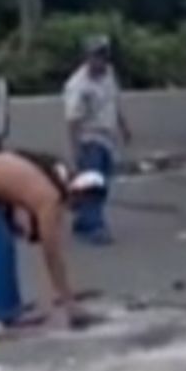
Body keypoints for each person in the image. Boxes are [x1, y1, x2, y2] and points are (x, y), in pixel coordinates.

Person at [0, 149, 104, 330]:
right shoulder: (50, 197)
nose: (73, 210)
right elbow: (51, 254)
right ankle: (4, 313)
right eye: (77, 204)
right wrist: (69, 303)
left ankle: (7, 308)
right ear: (76, 193)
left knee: (1, 241)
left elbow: (12, 182)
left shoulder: (50, 169)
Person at [63, 35, 132, 245]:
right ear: (87, 58)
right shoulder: (78, 85)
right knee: (94, 183)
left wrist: (124, 126)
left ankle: (84, 221)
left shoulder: (109, 74)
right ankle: (95, 227)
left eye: (103, 56)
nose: (100, 61)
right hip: (90, 137)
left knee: (104, 183)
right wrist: (76, 149)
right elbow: (73, 120)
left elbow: (114, 101)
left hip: (107, 137)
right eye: (95, 56)